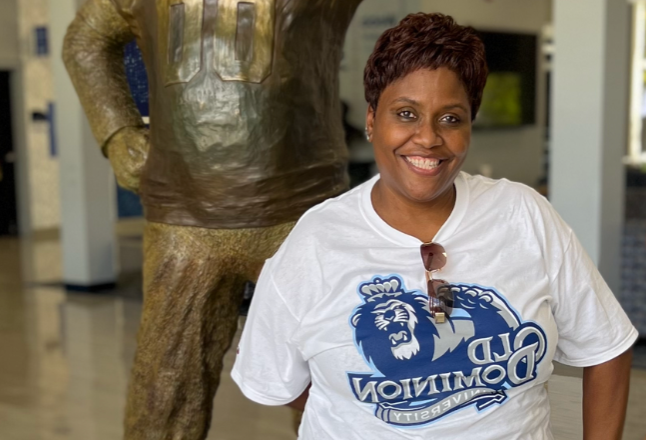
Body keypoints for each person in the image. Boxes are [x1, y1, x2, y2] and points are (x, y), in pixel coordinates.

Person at [231, 12, 637, 439]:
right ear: (372, 120)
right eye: (406, 113)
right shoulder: (315, 242)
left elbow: (607, 346)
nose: (427, 138)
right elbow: (275, 380)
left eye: (450, 118)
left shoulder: (523, 215)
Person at [62, 0, 363, 438]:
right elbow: (85, 41)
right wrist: (117, 130)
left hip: (304, 214)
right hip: (182, 219)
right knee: (165, 388)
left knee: (333, 381)